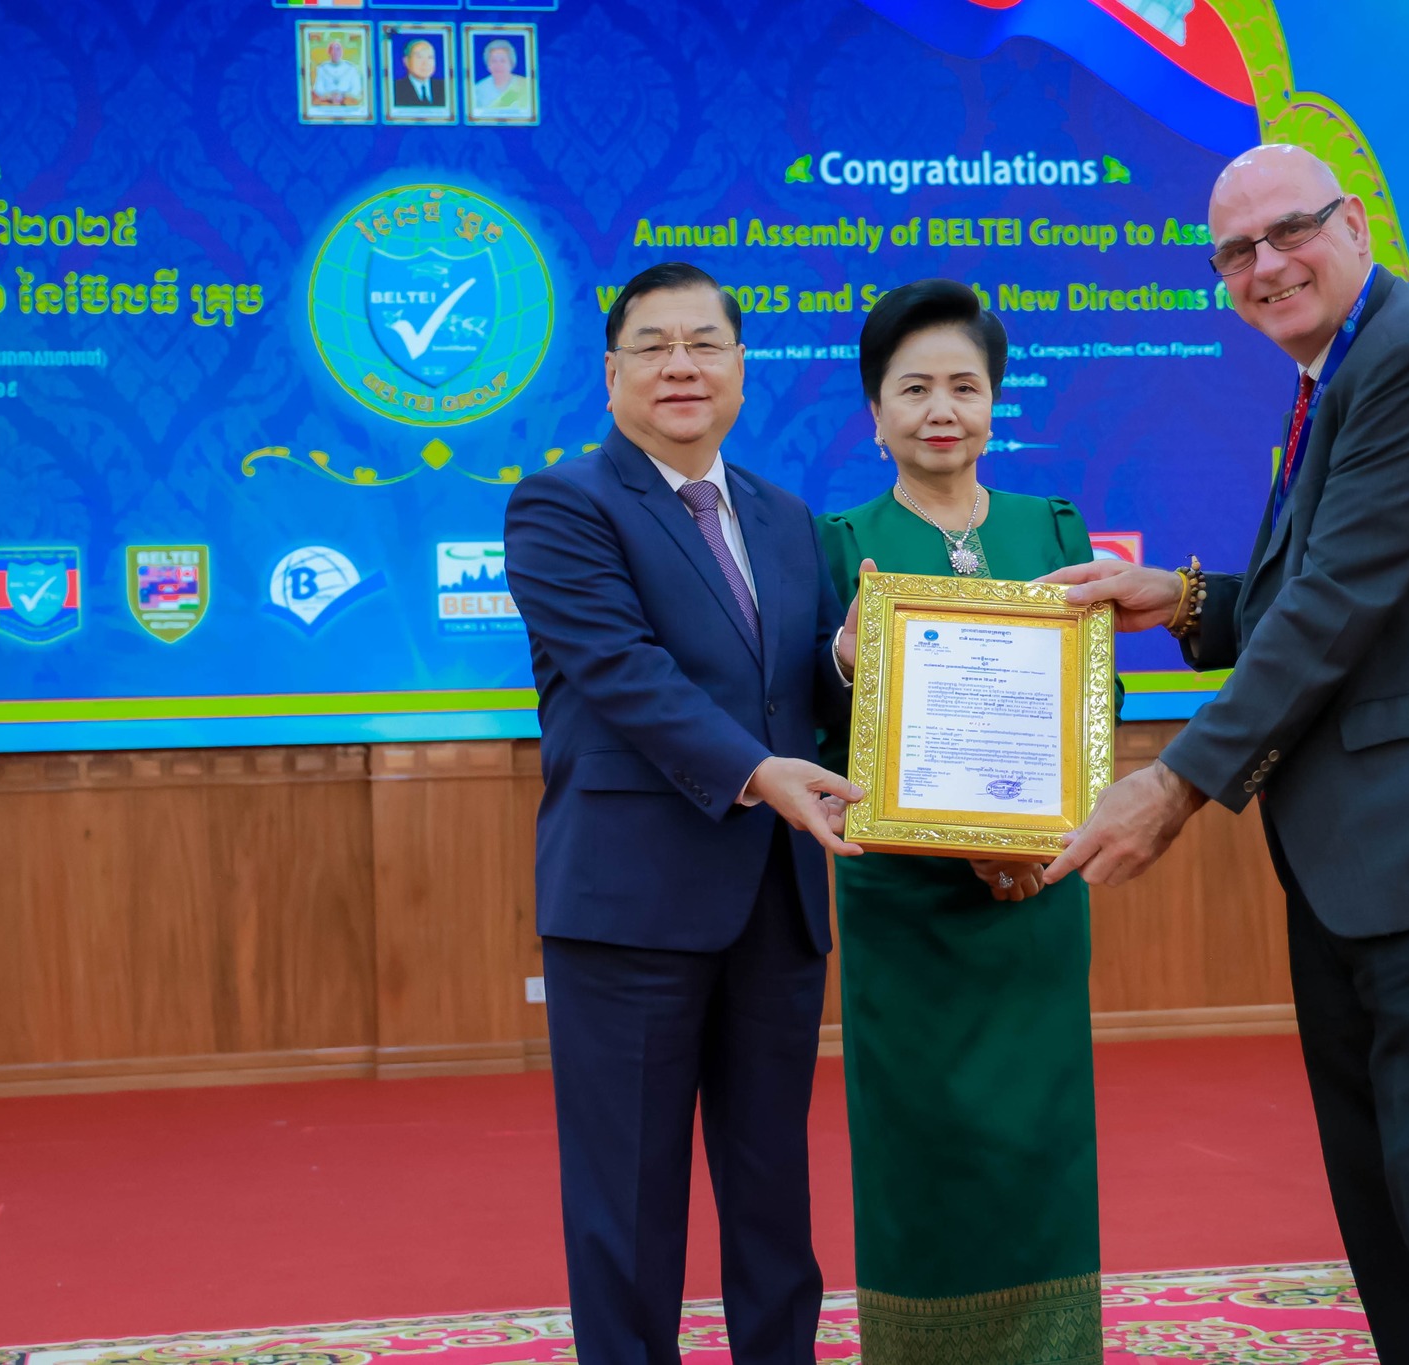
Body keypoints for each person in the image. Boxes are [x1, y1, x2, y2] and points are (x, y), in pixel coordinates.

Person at [1040, 144, 1409, 1364]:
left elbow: (1333, 607)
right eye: (1234, 252)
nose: (1265, 265)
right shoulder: (1336, 375)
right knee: (1394, 1223)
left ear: (1351, 222)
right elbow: (1334, 586)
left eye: (1287, 231)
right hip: (1376, 870)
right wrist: (1181, 599)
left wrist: (1172, 784)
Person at [503, 261, 866, 1365]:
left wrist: (852, 665)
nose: (680, 366)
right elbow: (625, 674)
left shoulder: (784, 515)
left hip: (776, 902)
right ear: (611, 373)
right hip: (631, 903)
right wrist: (760, 772)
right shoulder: (563, 503)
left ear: (740, 369)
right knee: (627, 1202)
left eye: (703, 344)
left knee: (773, 1190)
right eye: (652, 347)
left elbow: (802, 690)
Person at [817, 280, 1106, 1365]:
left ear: (993, 402)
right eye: (913, 389)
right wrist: (845, 655)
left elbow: (1094, 699)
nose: (941, 410)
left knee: (1038, 1140)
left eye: (964, 387)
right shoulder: (840, 542)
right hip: (905, 907)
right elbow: (813, 719)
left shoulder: (1054, 528)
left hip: (1036, 898)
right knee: (919, 1146)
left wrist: (1033, 844)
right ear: (875, 410)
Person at [470, 37, 530, 113]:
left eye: (503, 61)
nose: (498, 65)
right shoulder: (479, 90)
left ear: (511, 63)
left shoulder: (525, 86)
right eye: (494, 61)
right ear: (488, 65)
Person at [391, 37, 445, 109]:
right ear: (406, 61)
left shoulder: (445, 87)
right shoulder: (394, 89)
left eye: (430, 57)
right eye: (419, 57)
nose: (425, 63)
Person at [309, 37, 363, 107]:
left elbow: (356, 88)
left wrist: (343, 96)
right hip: (327, 103)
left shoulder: (351, 68)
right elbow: (318, 88)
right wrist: (330, 96)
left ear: (342, 52)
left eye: (338, 49)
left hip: (347, 102)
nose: (335, 52)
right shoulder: (322, 68)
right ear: (329, 52)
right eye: (332, 49)